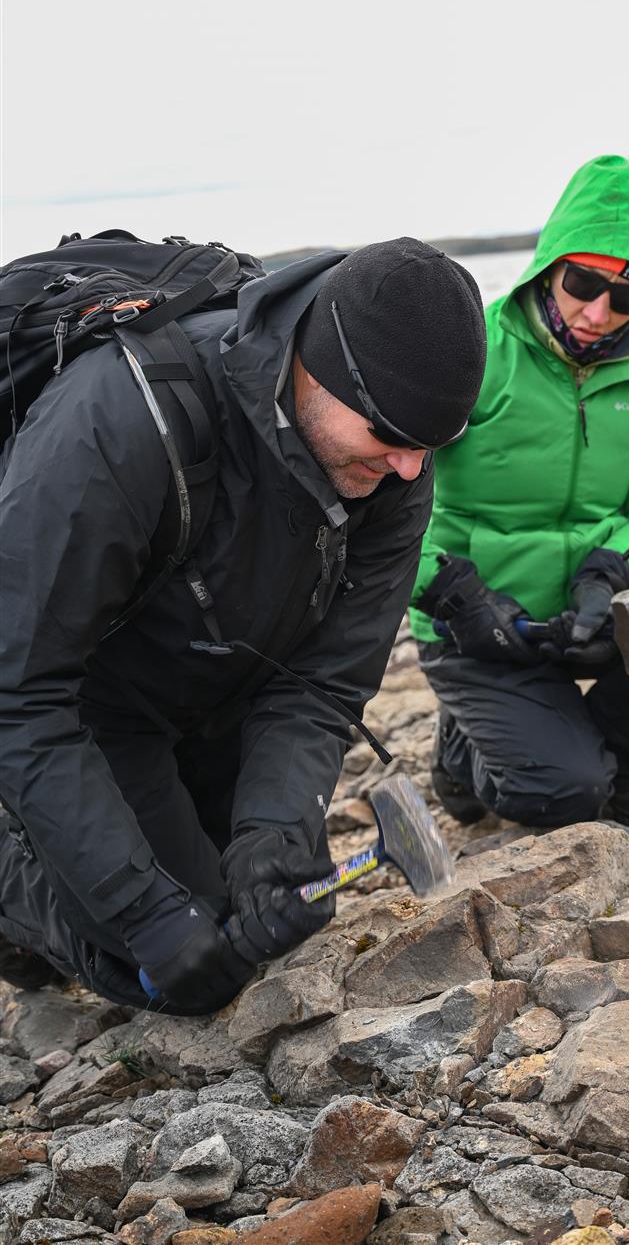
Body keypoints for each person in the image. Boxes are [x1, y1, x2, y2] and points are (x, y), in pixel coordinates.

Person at [0, 237, 486, 1014]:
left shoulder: (399, 457)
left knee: (261, 919)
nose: (409, 471)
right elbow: (19, 695)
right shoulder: (121, 420)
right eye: (391, 439)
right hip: (87, 713)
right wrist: (141, 909)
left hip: (220, 687)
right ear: (315, 371)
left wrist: (273, 830)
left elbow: (326, 681)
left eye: (433, 447)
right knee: (167, 959)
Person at [409, 156, 629, 833]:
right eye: (582, 282)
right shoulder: (469, 347)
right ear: (551, 261)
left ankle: (621, 763)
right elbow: (380, 499)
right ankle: (464, 752)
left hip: (587, 615)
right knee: (563, 798)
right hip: (475, 624)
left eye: (626, 298)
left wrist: (614, 568)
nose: (597, 312)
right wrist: (450, 590)